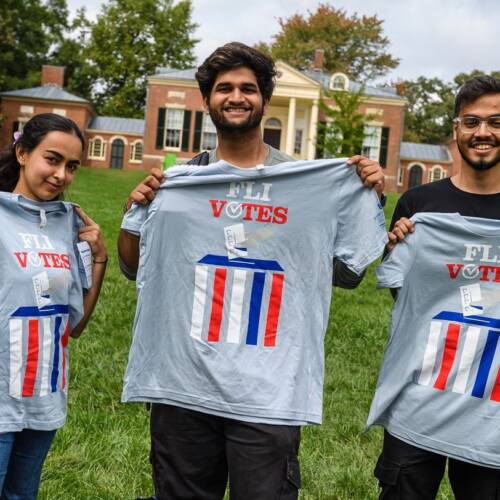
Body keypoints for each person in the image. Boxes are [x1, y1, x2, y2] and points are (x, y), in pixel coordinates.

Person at [119, 42, 387, 500]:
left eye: (248, 88)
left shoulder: (309, 184)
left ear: (264, 99)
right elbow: (133, 267)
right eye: (224, 88)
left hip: (269, 390)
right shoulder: (178, 183)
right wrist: (137, 209)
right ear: (208, 101)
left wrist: (365, 201)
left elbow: (348, 273)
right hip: (184, 383)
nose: (236, 96)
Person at [369, 75, 500, 500]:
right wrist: (396, 248)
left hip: (491, 413)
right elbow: (406, 298)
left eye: (496, 121)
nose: (483, 132)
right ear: (456, 129)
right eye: (472, 121)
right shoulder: (418, 206)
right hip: (419, 399)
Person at [0, 113, 107, 499]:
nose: (61, 175)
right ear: (23, 152)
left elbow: (74, 325)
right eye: (53, 159)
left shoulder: (68, 225)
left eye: (72, 166)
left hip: (43, 397)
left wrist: (99, 260)